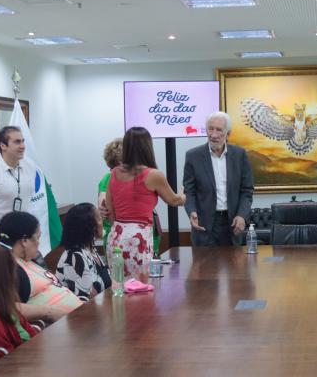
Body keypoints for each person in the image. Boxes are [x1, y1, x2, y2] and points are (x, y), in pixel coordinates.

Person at [106, 127, 186, 277]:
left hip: (116, 236)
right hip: (138, 238)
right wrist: (183, 195)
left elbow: (110, 212)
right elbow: (174, 200)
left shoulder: (114, 173)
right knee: (140, 287)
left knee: (118, 287)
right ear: (147, 146)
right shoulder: (153, 175)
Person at [183, 111, 255, 246]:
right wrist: (191, 211)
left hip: (232, 223)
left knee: (235, 266)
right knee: (205, 267)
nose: (213, 134)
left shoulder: (240, 155)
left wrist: (242, 215)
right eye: (210, 129)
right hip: (204, 226)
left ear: (228, 134)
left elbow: (247, 190)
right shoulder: (193, 156)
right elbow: (189, 191)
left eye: (219, 130)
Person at [0, 211, 83, 323]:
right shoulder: (9, 268)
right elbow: (7, 308)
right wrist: (48, 312)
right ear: (24, 241)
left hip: (77, 319)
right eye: (37, 237)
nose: (39, 243)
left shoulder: (30, 260)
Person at [57, 202, 111, 298]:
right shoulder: (75, 257)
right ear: (89, 227)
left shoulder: (89, 248)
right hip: (86, 311)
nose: (102, 222)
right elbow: (88, 299)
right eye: (99, 218)